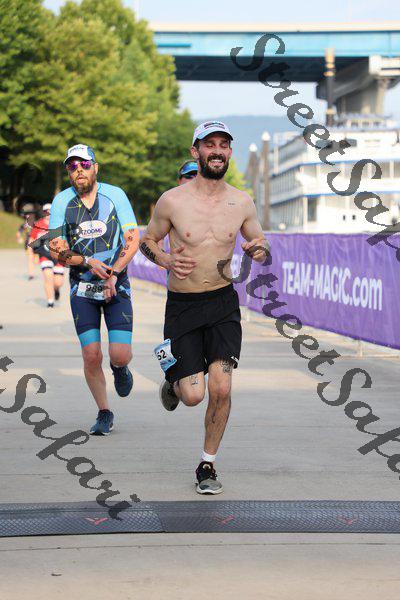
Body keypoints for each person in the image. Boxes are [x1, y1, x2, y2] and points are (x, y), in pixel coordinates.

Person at [140, 121, 267, 494]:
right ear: (195, 151)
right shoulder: (172, 201)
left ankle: (207, 465)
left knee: (222, 388)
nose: (217, 150)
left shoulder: (241, 202)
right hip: (183, 305)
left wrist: (259, 249)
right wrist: (166, 260)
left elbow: (260, 240)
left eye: (223, 144)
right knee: (193, 396)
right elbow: (148, 240)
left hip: (223, 304)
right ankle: (174, 380)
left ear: (229, 152)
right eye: (209, 144)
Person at [48, 144, 140, 435]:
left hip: (116, 285)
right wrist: (87, 261)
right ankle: (104, 412)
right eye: (72, 166)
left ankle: (120, 368)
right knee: (91, 354)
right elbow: (56, 249)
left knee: (119, 354)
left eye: (84, 165)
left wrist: (115, 272)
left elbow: (133, 239)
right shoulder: (62, 201)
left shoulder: (115, 195)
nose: (79, 171)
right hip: (82, 289)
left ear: (95, 167)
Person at [29, 203, 65, 307]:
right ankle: (50, 301)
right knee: (48, 277)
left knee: (58, 282)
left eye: (50, 211)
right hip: (44, 255)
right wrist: (33, 255)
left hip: (58, 256)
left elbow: (66, 240)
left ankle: (56, 289)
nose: (48, 214)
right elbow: (32, 240)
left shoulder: (59, 224)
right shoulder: (38, 225)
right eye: (46, 212)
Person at [17, 210, 37, 280]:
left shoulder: (36, 224)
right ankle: (31, 274)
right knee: (30, 258)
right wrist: (19, 238)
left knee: (34, 259)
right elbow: (18, 233)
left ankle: (32, 272)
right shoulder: (25, 225)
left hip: (36, 243)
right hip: (28, 243)